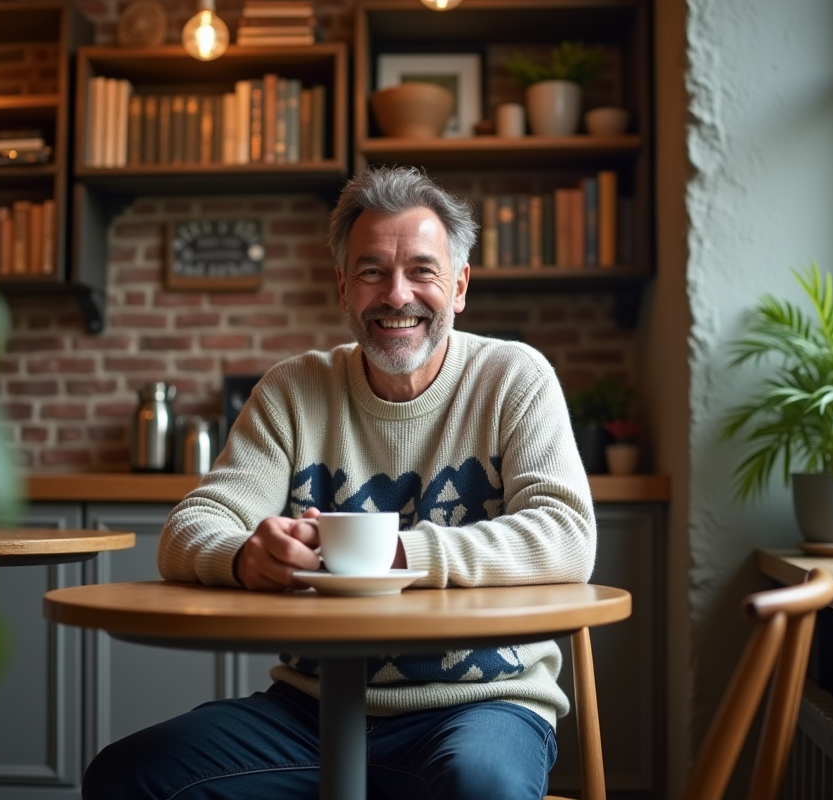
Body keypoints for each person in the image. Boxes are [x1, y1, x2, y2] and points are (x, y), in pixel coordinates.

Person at [82, 166, 597, 800]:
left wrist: (398, 556)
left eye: (422, 271)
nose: (396, 295)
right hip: (311, 714)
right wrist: (245, 556)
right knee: (128, 776)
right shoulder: (293, 391)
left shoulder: (514, 378)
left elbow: (567, 534)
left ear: (459, 286)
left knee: (480, 785)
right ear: (343, 286)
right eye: (372, 271)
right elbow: (190, 529)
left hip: (483, 704)